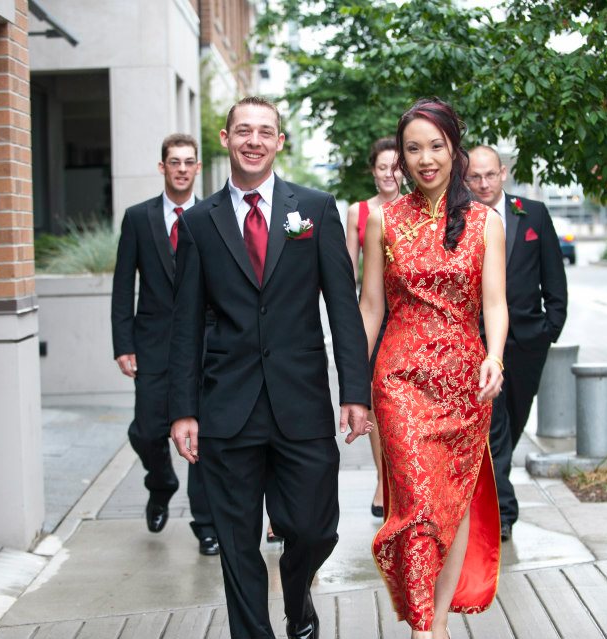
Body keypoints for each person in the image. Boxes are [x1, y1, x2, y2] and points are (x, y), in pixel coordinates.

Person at [168, 96, 371, 639]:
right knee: (237, 545)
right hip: (226, 406)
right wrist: (183, 410)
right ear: (225, 138)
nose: (253, 140)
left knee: (313, 528)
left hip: (300, 401)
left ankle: (298, 595)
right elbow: (184, 325)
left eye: (265, 131)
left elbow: (342, 308)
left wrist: (355, 391)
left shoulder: (316, 208)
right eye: (243, 131)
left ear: (281, 141)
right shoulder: (199, 224)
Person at [359, 99, 507, 639]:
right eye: (413, 148)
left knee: (453, 499)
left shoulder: (485, 222)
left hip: (465, 385)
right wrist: (356, 383)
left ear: (454, 150)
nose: (425, 159)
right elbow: (371, 307)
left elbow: (495, 303)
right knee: (418, 501)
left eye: (436, 146)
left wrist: (495, 356)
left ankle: (437, 622)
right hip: (399, 383)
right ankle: (424, 629)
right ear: (400, 156)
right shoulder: (383, 219)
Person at [111, 133, 219, 557]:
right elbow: (124, 286)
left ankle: (205, 524)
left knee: (202, 435)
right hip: (152, 344)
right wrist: (123, 343)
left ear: (196, 168)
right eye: (173, 162)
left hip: (205, 345)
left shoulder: (212, 216)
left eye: (188, 162)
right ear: (163, 167)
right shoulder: (138, 218)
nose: (181, 168)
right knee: (146, 430)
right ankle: (161, 484)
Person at [466, 145, 568, 542]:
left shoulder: (534, 213)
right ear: (465, 179)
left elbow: (553, 273)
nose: (484, 183)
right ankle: (503, 513)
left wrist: (550, 329)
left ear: (503, 173)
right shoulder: (462, 218)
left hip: (527, 341)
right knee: (495, 427)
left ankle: (497, 499)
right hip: (479, 341)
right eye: (475, 177)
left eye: (490, 175)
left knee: (516, 420)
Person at [345, 137, 404, 519]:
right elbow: (349, 268)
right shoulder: (359, 211)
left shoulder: (417, 210)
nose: (389, 173)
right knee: (377, 405)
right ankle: (383, 479)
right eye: (382, 167)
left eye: (395, 166)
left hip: (405, 313)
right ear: (373, 171)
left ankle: (402, 478)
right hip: (372, 313)